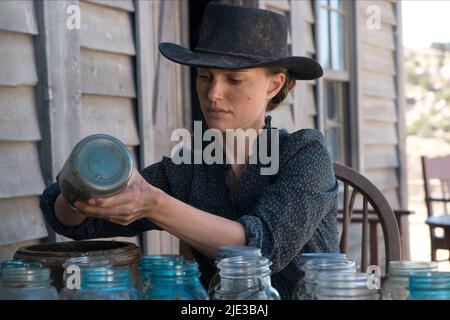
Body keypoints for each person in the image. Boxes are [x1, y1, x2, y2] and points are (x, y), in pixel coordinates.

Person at [40, 3, 339, 299]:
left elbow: (262, 251)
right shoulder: (189, 168)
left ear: (274, 86)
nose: (212, 94)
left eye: (233, 79)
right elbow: (73, 221)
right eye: (204, 76)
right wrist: (80, 187)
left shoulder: (305, 153)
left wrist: (155, 204)